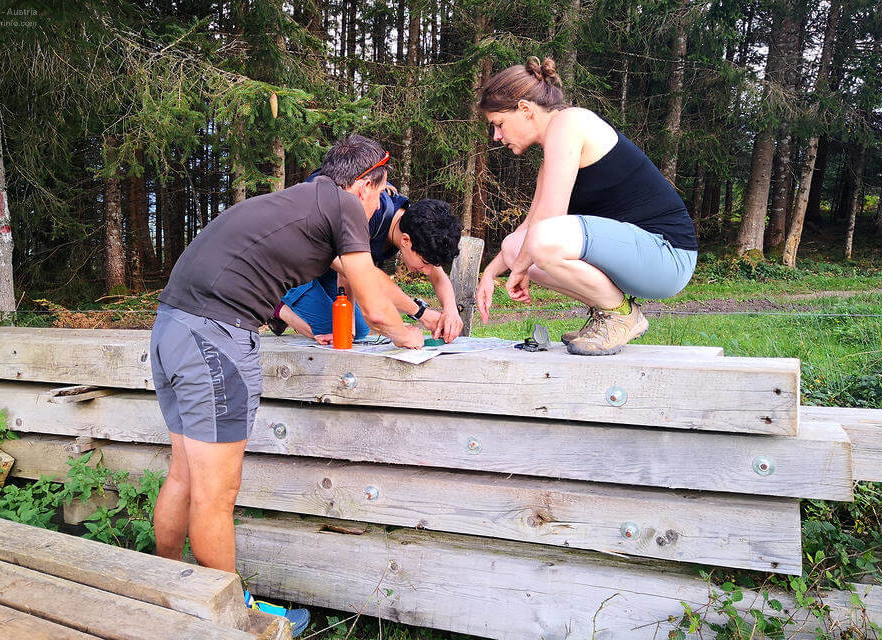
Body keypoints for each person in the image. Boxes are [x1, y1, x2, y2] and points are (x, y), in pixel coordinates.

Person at [149, 134, 423, 635]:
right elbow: (376, 311)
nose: (380, 207)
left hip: (171, 328)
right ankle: (231, 620)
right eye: (380, 195)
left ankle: (171, 594)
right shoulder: (342, 206)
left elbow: (371, 281)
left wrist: (423, 308)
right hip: (215, 340)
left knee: (184, 478)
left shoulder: (306, 200)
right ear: (365, 185)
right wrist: (412, 337)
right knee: (215, 497)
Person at [475, 57, 698, 355]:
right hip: (638, 255)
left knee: (542, 242)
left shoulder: (570, 123)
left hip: (668, 255)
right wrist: (491, 274)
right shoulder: (553, 152)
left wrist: (519, 270)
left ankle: (619, 315)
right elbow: (528, 228)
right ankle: (608, 314)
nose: (497, 137)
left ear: (525, 109)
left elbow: (548, 222)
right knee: (517, 246)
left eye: (499, 124)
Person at [268, 176, 464, 344]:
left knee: (356, 333)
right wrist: (421, 314)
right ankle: (276, 309)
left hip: (330, 265)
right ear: (406, 240)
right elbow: (366, 277)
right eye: (425, 264)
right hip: (290, 259)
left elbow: (347, 275)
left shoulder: (415, 223)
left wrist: (450, 310)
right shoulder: (365, 212)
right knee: (328, 330)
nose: (428, 271)